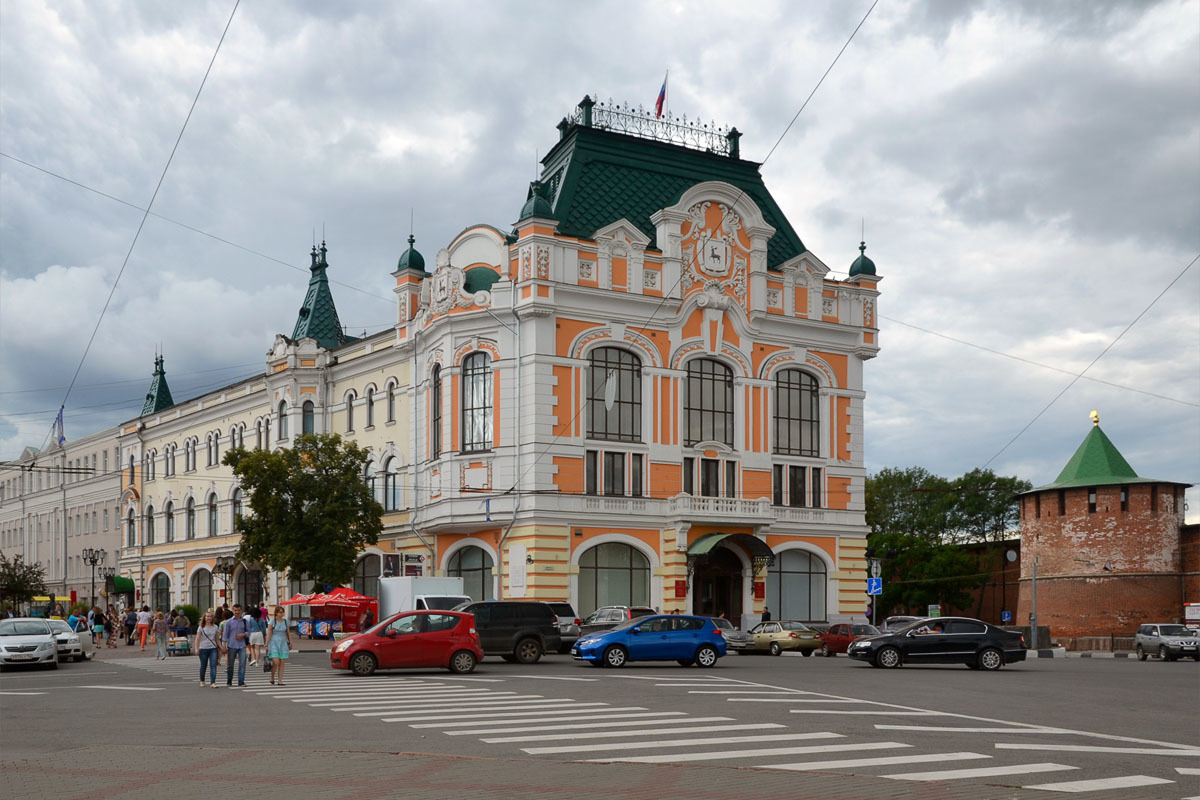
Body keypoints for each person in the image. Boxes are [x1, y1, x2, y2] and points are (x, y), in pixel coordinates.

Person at [265, 605, 292, 686]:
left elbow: (287, 632)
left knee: (282, 662)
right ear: (276, 613)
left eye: (282, 612)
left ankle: (280, 680)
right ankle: (272, 676)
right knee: (276, 662)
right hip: (274, 642)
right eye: (280, 612)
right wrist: (266, 644)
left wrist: (290, 642)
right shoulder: (272, 621)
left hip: (283, 642)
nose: (282, 614)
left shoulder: (285, 621)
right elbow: (269, 633)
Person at [223, 604, 248, 687]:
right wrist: (224, 646)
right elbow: (225, 635)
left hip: (242, 645)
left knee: (242, 664)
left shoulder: (244, 621)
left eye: (238, 610)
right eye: (235, 610)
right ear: (233, 611)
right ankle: (229, 680)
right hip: (232, 645)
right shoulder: (229, 622)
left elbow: (249, 632)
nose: (237, 612)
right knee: (230, 665)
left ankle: (241, 681)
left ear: (241, 611)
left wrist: (243, 634)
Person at [194, 611, 221, 687]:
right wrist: (196, 649)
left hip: (213, 648)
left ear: (212, 618)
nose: (209, 618)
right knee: (203, 665)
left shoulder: (215, 627)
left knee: (213, 665)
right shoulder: (201, 627)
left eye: (210, 616)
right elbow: (197, 639)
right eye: (207, 616)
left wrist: (221, 647)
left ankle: (213, 682)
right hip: (203, 648)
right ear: (204, 618)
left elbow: (217, 639)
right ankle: (202, 680)